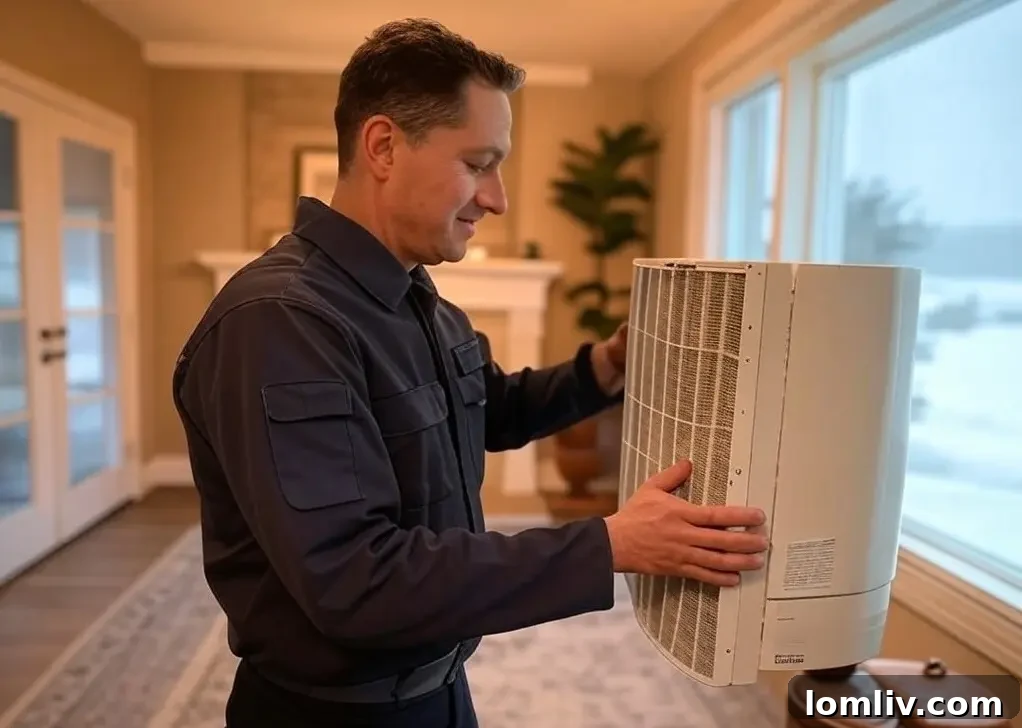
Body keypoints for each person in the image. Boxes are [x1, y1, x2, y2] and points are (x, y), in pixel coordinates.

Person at [171, 17, 769, 728]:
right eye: (478, 163)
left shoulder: (418, 298)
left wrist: (609, 366)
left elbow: (491, 407)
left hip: (441, 692)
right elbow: (357, 580)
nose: (498, 198)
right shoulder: (279, 323)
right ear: (384, 146)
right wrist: (609, 543)